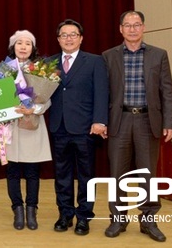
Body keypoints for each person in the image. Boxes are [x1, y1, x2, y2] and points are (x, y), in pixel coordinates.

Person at [102, 11, 172, 242]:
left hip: (147, 120)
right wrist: (101, 120)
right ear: (120, 29)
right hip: (119, 120)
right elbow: (102, 93)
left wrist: (169, 122)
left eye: (137, 25)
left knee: (147, 174)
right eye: (128, 25)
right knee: (117, 174)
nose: (132, 29)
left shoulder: (159, 55)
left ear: (144, 28)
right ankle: (118, 219)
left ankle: (149, 220)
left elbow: (167, 91)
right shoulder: (108, 56)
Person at [47, 19, 109, 236]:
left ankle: (84, 216)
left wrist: (100, 121)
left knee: (86, 175)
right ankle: (65, 214)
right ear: (58, 39)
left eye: (73, 34)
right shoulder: (49, 63)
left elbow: (101, 93)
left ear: (81, 38)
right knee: (61, 174)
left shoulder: (94, 61)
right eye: (64, 35)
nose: (69, 38)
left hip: (85, 128)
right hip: (58, 126)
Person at [0, 30, 51, 230]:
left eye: (28, 43)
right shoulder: (3, 69)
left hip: (32, 123)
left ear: (33, 48)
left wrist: (33, 109)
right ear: (13, 47)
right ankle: (17, 209)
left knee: (33, 172)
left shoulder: (40, 69)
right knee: (13, 171)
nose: (23, 47)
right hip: (9, 126)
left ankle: (31, 210)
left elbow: (47, 98)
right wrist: (10, 108)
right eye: (19, 43)